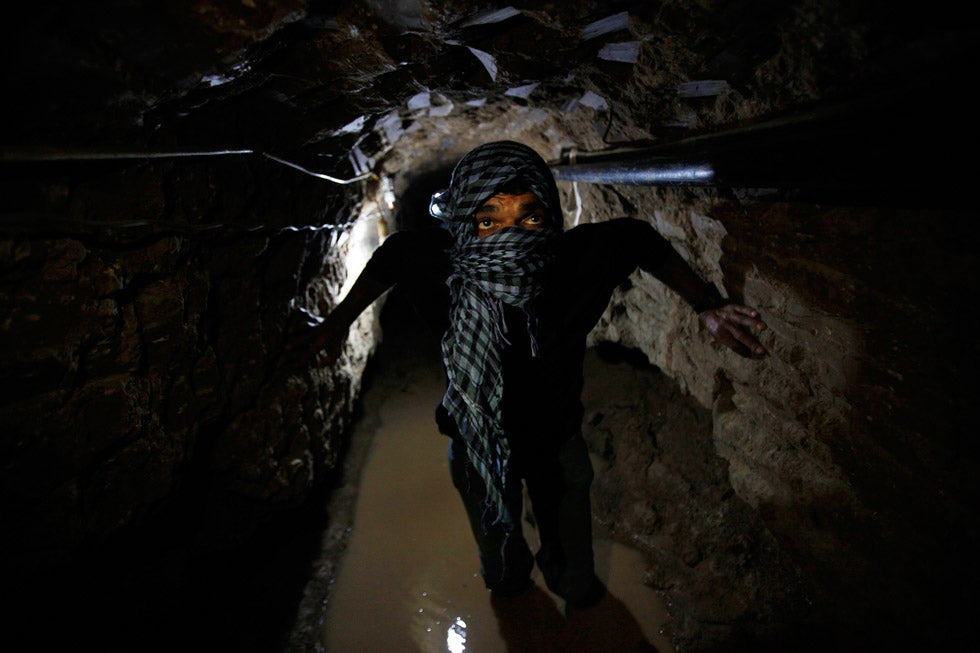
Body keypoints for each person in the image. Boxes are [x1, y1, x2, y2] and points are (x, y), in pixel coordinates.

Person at [285, 140, 767, 610]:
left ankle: (572, 600)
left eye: (529, 216)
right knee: (502, 568)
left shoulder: (574, 263)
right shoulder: (438, 267)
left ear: (550, 219)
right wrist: (335, 324)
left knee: (578, 579)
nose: (510, 233)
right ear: (464, 224)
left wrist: (708, 305)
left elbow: (640, 240)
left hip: (556, 440)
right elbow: (391, 257)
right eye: (489, 219)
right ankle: (512, 589)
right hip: (475, 442)